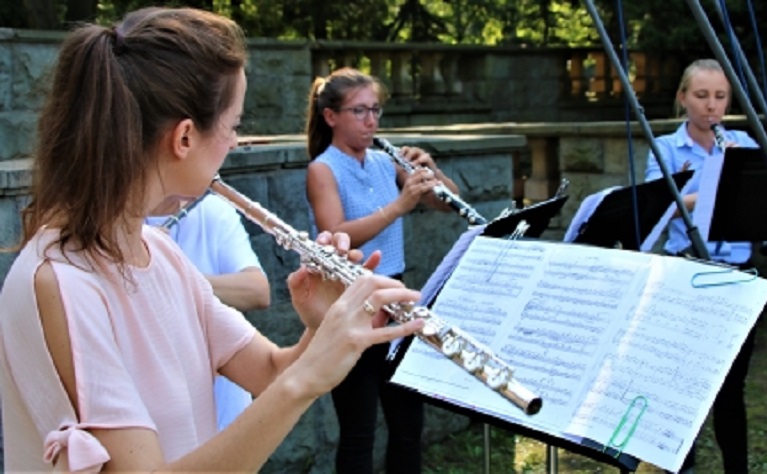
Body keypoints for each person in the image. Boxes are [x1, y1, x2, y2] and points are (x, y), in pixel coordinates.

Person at [0, 8, 425, 472]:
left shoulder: (157, 251)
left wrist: (320, 330)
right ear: (184, 137)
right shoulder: (64, 282)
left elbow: (269, 371)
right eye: (233, 125)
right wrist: (304, 379)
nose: (234, 143)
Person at [304, 67, 460, 473]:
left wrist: (433, 173)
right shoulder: (323, 169)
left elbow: (449, 203)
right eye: (359, 111)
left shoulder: (384, 159)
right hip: (352, 301)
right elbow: (336, 233)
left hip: (398, 297)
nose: (371, 121)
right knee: (359, 432)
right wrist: (398, 206)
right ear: (331, 116)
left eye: (375, 110)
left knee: (409, 423)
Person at [644, 58, 758, 474]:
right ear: (682, 98)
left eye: (720, 97)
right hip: (686, 272)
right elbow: (664, 204)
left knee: (732, 388)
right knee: (682, 384)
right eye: (702, 96)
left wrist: (734, 171)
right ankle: (683, 467)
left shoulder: (744, 141)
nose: (712, 107)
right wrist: (720, 179)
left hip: (738, 275)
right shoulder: (666, 148)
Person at [146, 192, 270, 431]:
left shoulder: (213, 209)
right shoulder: (112, 217)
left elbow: (258, 291)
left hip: (222, 399)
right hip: (155, 400)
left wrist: (176, 276)